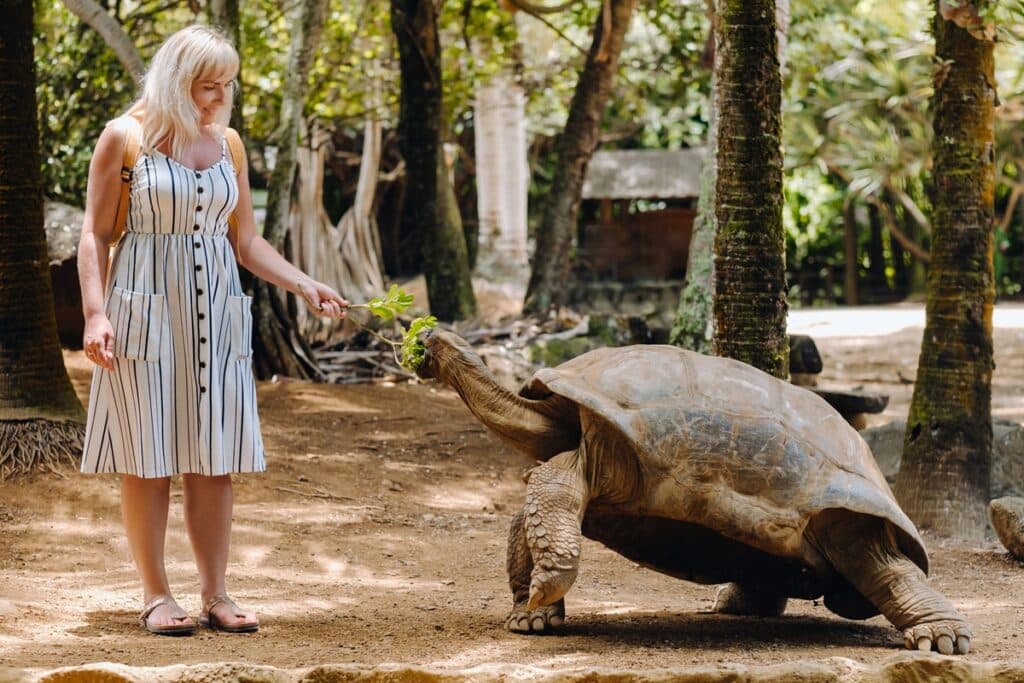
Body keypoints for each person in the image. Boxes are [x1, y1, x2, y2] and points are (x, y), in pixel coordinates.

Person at [77, 25, 347, 636]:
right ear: (176, 79)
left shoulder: (229, 144)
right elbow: (94, 235)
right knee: (147, 455)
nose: (217, 97)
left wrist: (303, 283)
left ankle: (216, 593)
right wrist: (95, 313)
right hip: (143, 307)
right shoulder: (126, 138)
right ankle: (155, 594)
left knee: (213, 455)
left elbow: (244, 239)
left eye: (225, 85)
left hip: (216, 309)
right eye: (206, 86)